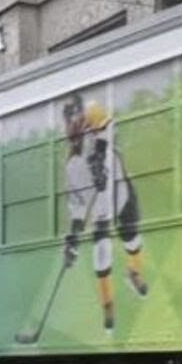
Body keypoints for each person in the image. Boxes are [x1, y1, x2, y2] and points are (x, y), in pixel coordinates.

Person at [60, 93, 148, 336]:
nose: (75, 126)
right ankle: (108, 304)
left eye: (78, 120)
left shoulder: (93, 113)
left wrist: (99, 155)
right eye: (71, 123)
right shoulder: (72, 165)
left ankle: (134, 272)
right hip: (99, 209)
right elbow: (77, 207)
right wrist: (73, 239)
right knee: (102, 254)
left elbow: (109, 125)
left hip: (120, 191)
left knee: (131, 238)